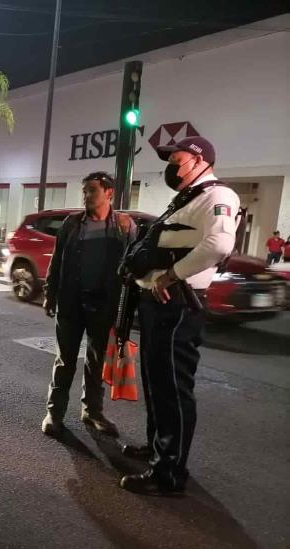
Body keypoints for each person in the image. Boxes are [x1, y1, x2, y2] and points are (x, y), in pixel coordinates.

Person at [119, 136, 240, 495]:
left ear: (202, 161)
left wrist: (171, 276)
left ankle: (168, 474)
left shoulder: (218, 196)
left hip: (178, 304)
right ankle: (158, 449)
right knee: (157, 384)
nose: (172, 166)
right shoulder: (188, 198)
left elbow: (219, 245)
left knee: (172, 387)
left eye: (179, 159)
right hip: (157, 304)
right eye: (170, 160)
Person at [41, 172, 136, 439]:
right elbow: (57, 260)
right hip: (71, 304)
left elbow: (131, 268)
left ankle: (93, 412)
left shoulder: (124, 226)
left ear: (109, 193)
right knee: (65, 362)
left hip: (103, 306)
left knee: (95, 362)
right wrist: (50, 293)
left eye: (92, 190)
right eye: (84, 191)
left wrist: (126, 309)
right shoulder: (72, 224)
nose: (86, 195)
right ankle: (54, 414)